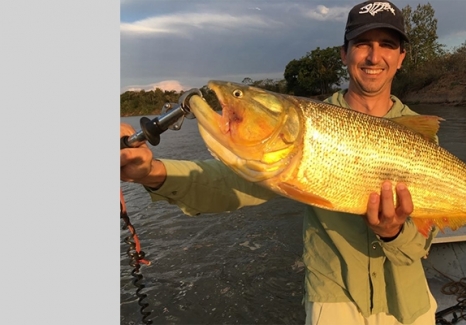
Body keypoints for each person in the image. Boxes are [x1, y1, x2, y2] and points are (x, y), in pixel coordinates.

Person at [120, 1, 439, 324]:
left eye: (387, 45)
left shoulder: (423, 136)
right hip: (335, 302)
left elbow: (420, 245)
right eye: (362, 44)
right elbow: (228, 183)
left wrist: (393, 234)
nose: (374, 56)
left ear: (401, 58)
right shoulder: (301, 126)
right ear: (344, 53)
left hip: (408, 304)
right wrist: (153, 172)